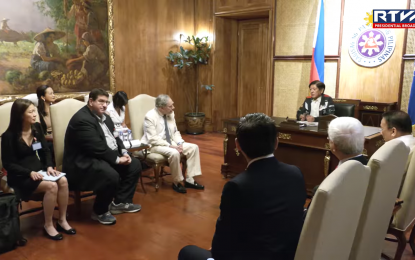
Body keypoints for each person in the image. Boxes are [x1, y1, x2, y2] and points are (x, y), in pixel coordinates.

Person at [178, 113, 306, 260]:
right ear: (276, 142)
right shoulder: (295, 173)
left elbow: (221, 247)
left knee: (187, 252)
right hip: (288, 254)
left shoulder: (237, 186)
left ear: (237, 144)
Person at [63, 88, 142, 225]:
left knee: (134, 164)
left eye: (106, 102)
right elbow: (96, 147)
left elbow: (116, 138)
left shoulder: (106, 117)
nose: (104, 105)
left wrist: (124, 152)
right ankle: (100, 211)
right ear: (91, 101)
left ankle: (120, 202)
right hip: (82, 162)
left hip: (101, 156)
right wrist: (117, 159)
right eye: (101, 101)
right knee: (110, 174)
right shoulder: (82, 119)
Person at [1, 99, 75, 240]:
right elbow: (8, 164)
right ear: (20, 115)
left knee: (63, 181)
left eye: (34, 110)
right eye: (30, 112)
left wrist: (48, 166)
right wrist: (29, 173)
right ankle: (48, 225)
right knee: (52, 186)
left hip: (39, 172)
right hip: (20, 176)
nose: (35, 114)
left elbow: (45, 150)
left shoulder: (36, 128)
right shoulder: (8, 136)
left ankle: (62, 220)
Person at [304, 117, 368, 219]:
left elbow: (310, 220)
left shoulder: (329, 188)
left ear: (333, 145)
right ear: (363, 140)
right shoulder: (371, 169)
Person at [141, 94, 204, 193]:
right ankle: (177, 182)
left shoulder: (171, 114)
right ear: (161, 108)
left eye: (172, 105)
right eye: (170, 106)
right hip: (154, 145)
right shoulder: (150, 117)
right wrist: (171, 146)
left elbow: (175, 132)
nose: (173, 108)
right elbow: (153, 139)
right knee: (174, 153)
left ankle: (189, 180)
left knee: (193, 147)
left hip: (171, 142)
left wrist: (179, 143)